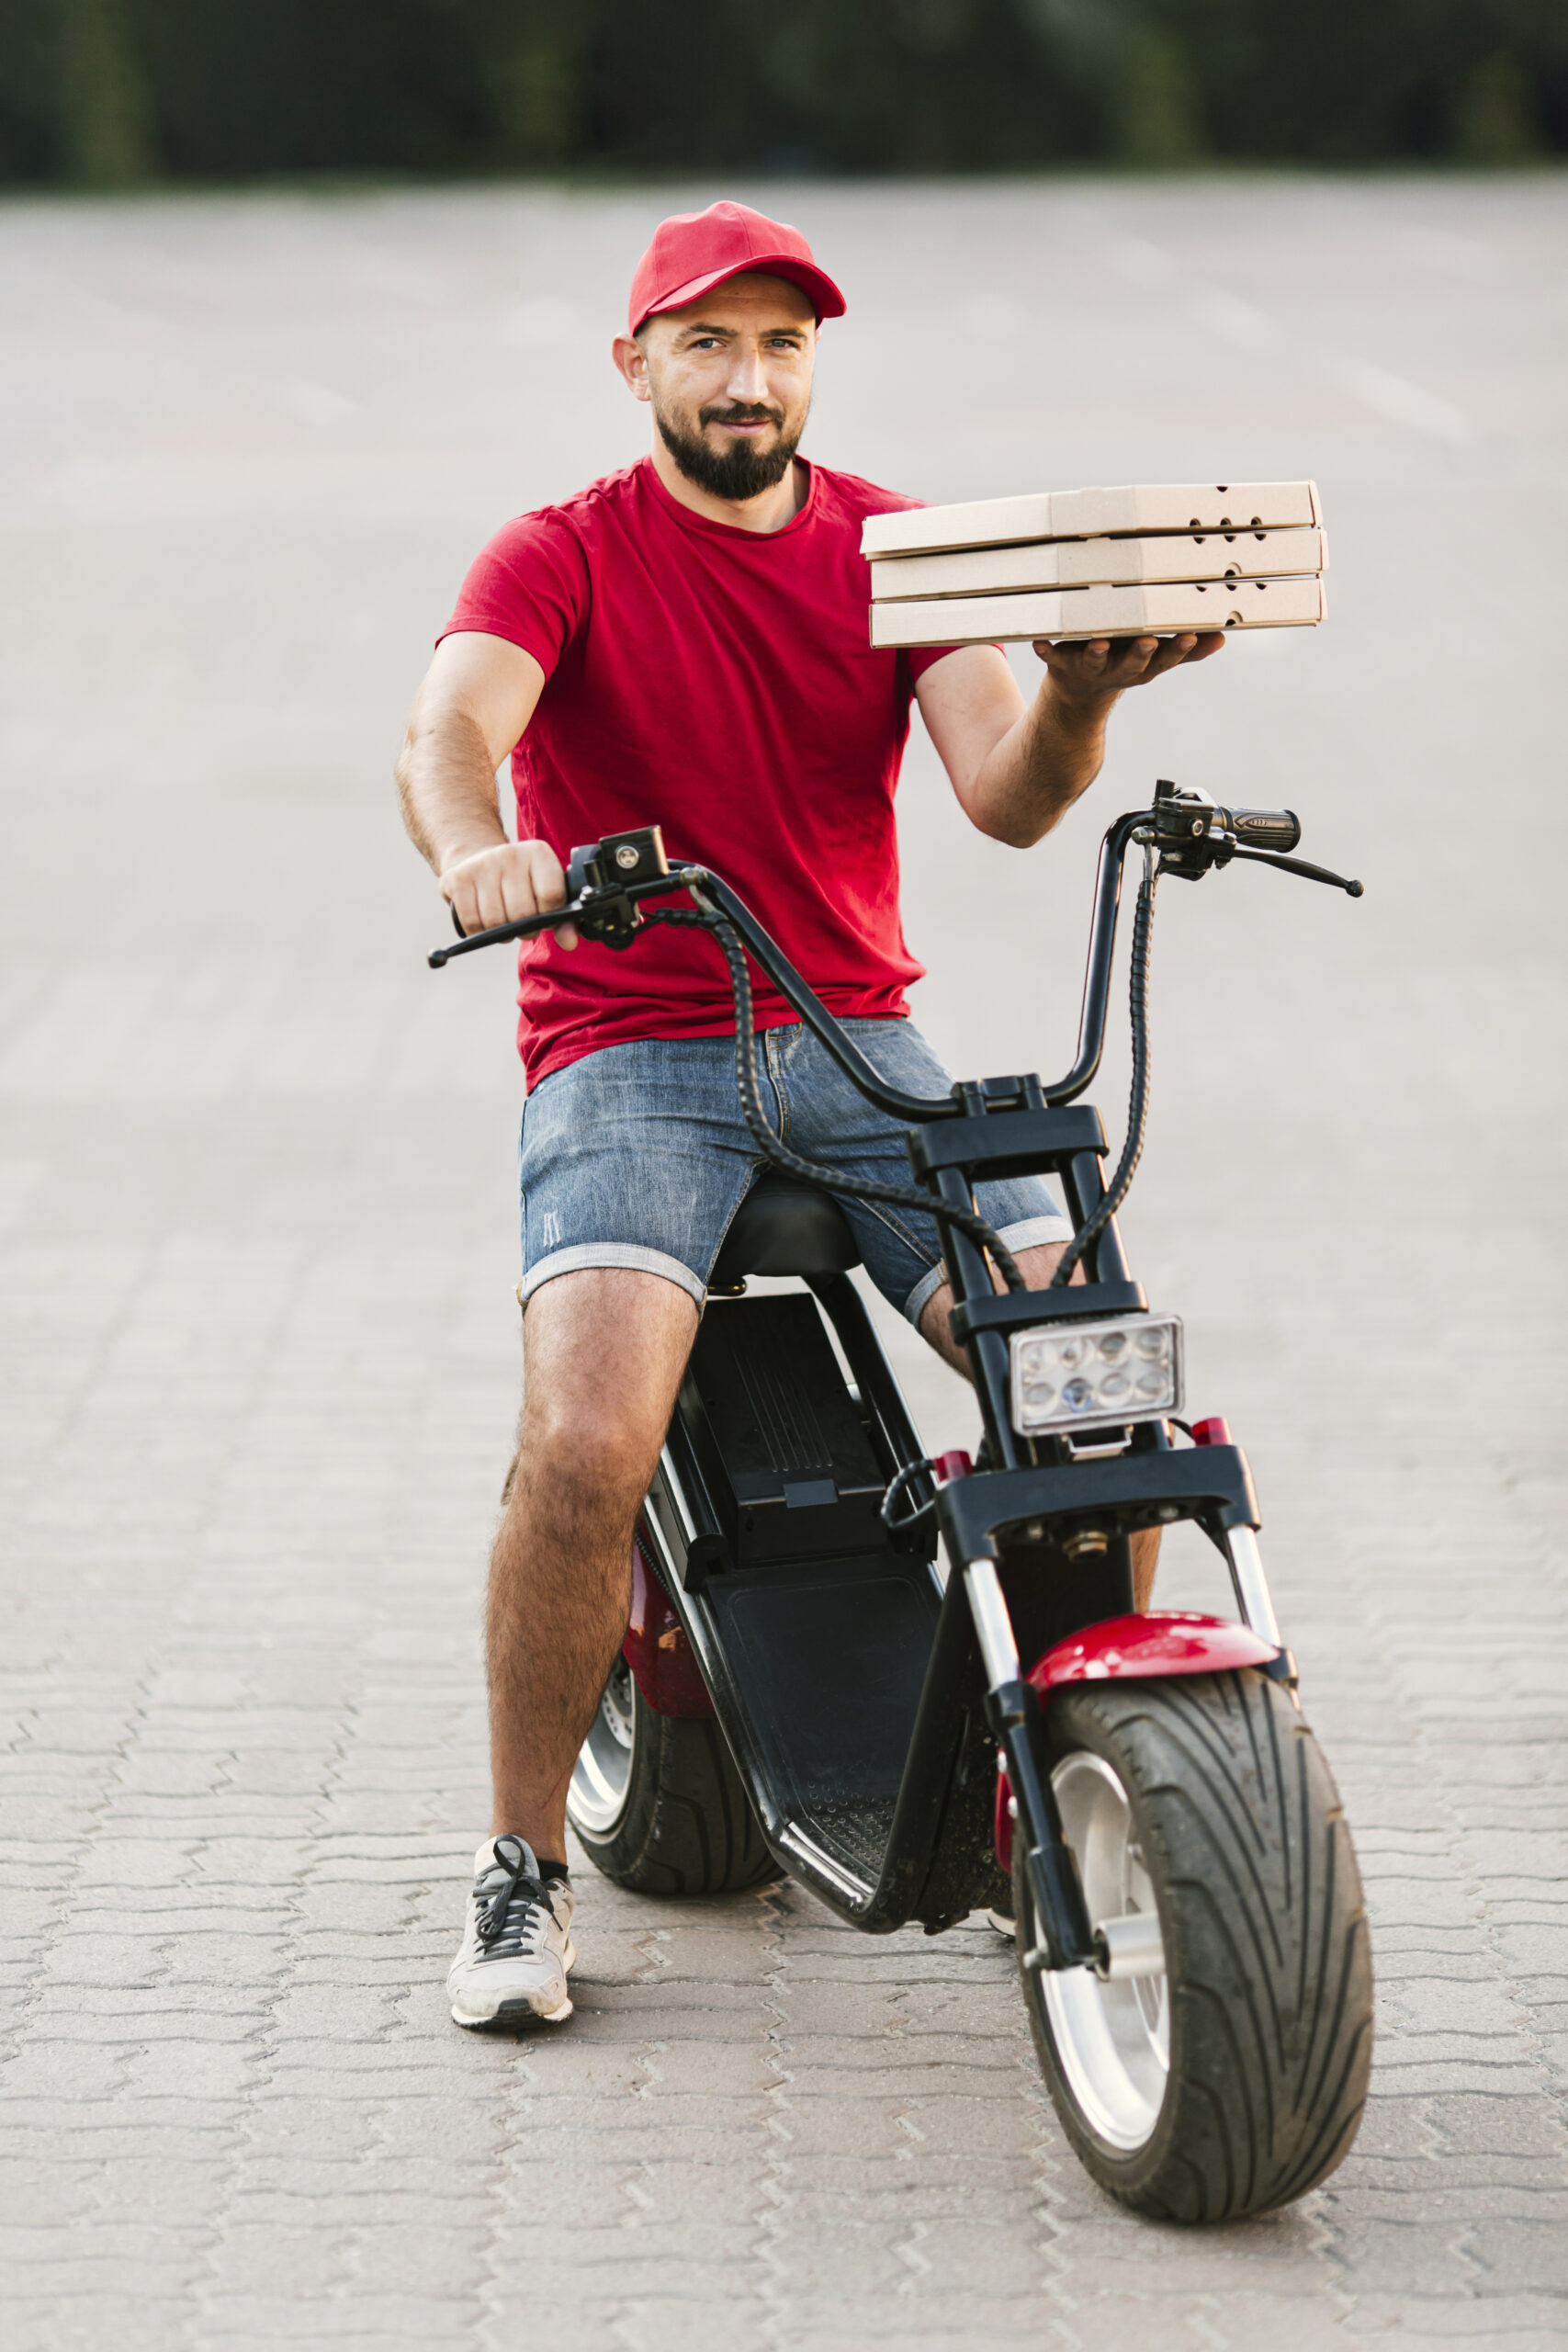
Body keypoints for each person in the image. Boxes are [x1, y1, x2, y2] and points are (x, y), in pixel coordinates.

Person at [396, 199, 1224, 2030]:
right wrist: (480, 850)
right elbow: (449, 724)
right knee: (589, 1439)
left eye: (779, 343)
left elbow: (1007, 796)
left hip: (857, 1037)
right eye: (705, 341)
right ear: (636, 368)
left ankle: (1061, 1778)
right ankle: (518, 1866)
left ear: (811, 368)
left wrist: (1081, 688)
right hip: (631, 1037)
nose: (746, 375)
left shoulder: (891, 543)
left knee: (1087, 1368)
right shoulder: (562, 551)